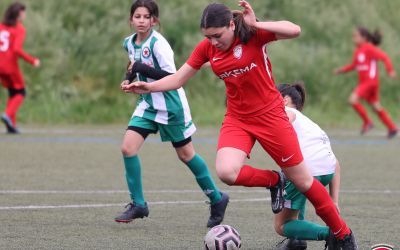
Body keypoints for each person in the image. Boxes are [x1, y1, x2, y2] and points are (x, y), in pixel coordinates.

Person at [123, 1, 358, 249]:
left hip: (271, 117)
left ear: (231, 25)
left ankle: (343, 235)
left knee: (303, 182)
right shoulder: (207, 48)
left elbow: (294, 29)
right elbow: (178, 78)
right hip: (238, 119)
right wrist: (148, 87)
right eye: (208, 37)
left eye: (217, 35)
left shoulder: (253, 35)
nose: (213, 42)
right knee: (227, 172)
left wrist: (256, 23)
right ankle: (274, 181)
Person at [115, 0, 229, 228]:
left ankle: (217, 198)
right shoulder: (129, 42)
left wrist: (141, 70)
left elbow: (171, 75)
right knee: (127, 148)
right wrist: (128, 81)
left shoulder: (159, 44)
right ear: (130, 19)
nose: (141, 20)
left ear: (154, 20)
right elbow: (132, 64)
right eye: (137, 16)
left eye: (146, 17)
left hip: (170, 105)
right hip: (147, 104)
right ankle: (138, 204)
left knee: (186, 155)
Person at [274, 83, 341, 250]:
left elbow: (282, 123)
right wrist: (334, 200)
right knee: (298, 192)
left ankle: (331, 234)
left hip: (308, 170)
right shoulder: (310, 123)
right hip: (327, 172)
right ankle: (297, 241)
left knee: (282, 225)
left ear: (285, 100)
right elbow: (336, 163)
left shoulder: (287, 113)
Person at [334, 27, 398, 139]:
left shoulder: (369, 48)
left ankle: (368, 122)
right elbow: (354, 65)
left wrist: (390, 70)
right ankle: (392, 127)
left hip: (370, 82)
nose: (353, 39)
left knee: (352, 100)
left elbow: (385, 57)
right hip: (368, 83)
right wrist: (341, 70)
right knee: (376, 107)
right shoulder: (358, 51)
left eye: (356, 36)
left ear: (364, 37)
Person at [0, 2, 40, 134]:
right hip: (10, 66)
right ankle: (7, 114)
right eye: (23, 12)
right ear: (18, 14)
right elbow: (17, 50)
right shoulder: (19, 29)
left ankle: (11, 126)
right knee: (21, 92)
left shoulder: (1, 26)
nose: (24, 15)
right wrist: (32, 60)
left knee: (12, 92)